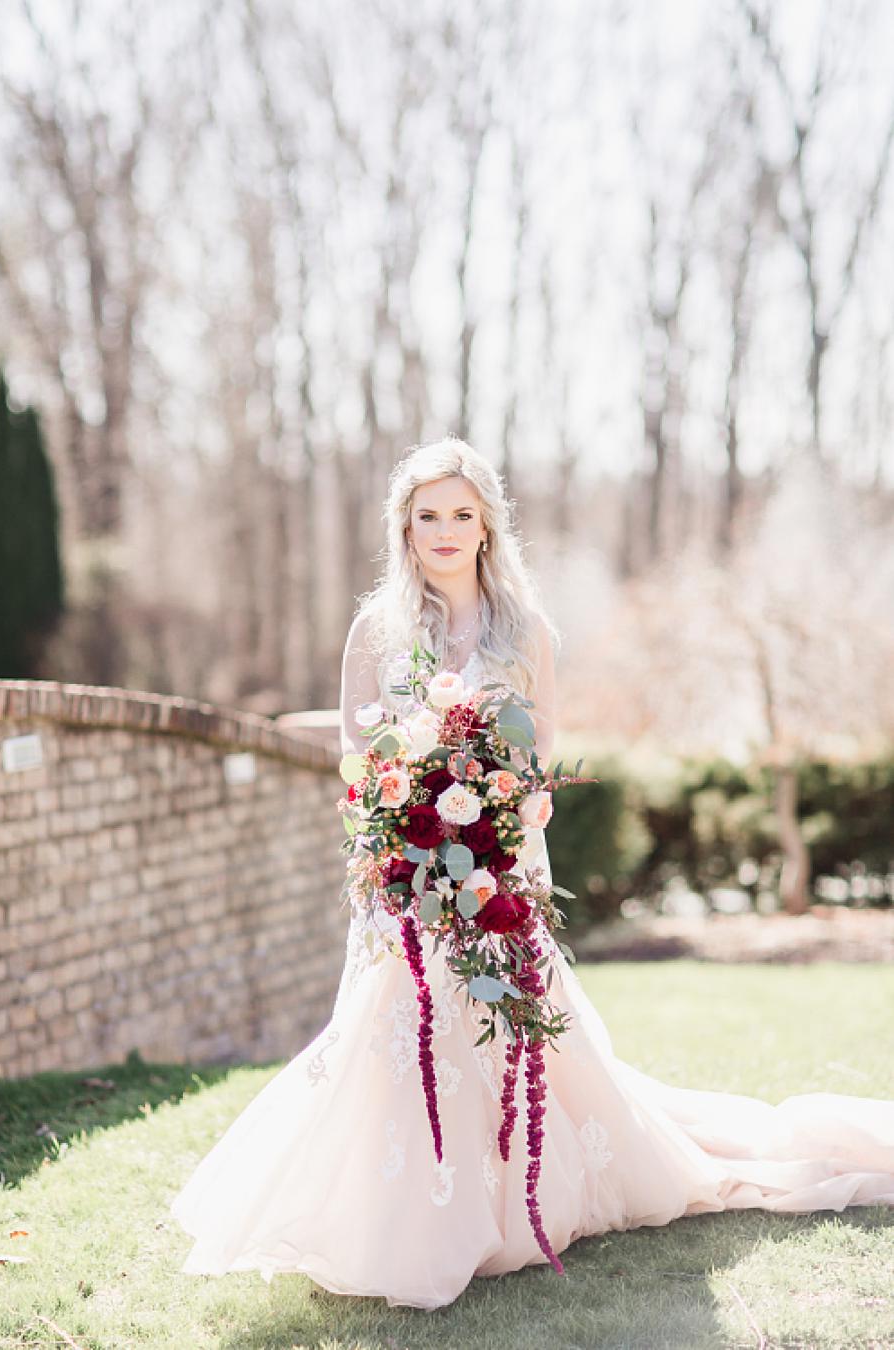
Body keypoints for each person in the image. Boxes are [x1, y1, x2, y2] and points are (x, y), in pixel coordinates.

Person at [170, 436, 894, 1311]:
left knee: (506, 1028)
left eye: (460, 515)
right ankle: (406, 1210)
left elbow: (542, 746)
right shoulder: (377, 628)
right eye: (427, 515)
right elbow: (356, 754)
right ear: (404, 527)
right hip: (406, 871)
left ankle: (518, 1197)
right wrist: (402, 805)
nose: (443, 531)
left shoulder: (525, 629)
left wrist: (507, 800)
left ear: (487, 525)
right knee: (398, 1030)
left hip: (499, 864)